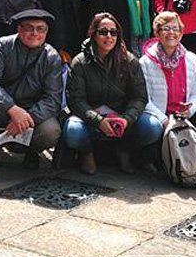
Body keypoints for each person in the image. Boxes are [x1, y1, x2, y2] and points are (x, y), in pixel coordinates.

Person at [0, 9, 62, 182]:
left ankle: (31, 151)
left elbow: (52, 99)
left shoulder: (51, 57)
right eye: (29, 28)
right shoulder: (2, 45)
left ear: (46, 32)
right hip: (0, 105)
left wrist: (26, 117)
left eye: (40, 28)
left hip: (32, 110)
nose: (35, 33)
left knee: (51, 130)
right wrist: (12, 109)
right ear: (19, 29)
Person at [64, 13, 156, 175]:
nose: (109, 36)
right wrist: (98, 121)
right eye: (103, 32)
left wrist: (126, 119)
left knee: (152, 128)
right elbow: (76, 100)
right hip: (91, 116)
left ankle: (124, 150)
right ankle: (87, 152)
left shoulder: (130, 61)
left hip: (122, 116)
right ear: (94, 34)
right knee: (73, 131)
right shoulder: (79, 62)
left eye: (113, 32)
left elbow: (140, 97)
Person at [140, 11, 196, 170]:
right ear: (157, 33)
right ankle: (158, 158)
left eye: (175, 29)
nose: (171, 33)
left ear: (181, 33)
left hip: (183, 115)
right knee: (150, 126)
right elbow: (143, 99)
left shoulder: (191, 59)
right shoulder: (145, 62)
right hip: (161, 117)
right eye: (165, 28)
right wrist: (164, 120)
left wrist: (190, 109)